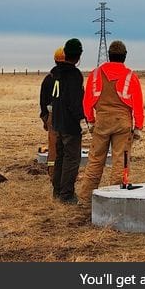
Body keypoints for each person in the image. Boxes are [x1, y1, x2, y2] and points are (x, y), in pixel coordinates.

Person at [77, 40, 144, 203]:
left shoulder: (95, 74)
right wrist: (138, 127)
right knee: (120, 162)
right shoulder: (130, 76)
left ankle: (85, 199)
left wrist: (91, 122)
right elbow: (138, 104)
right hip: (123, 123)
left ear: (109, 55)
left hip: (102, 122)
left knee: (95, 160)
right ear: (125, 56)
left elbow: (87, 101)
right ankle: (115, 199)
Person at [49, 38, 85, 204]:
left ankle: (57, 190)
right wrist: (82, 120)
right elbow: (74, 101)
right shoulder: (74, 75)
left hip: (57, 122)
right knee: (72, 159)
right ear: (78, 56)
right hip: (70, 125)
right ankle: (67, 195)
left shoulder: (56, 73)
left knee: (60, 157)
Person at [39, 46, 65, 178]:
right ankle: (66, 173)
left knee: (53, 144)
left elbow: (43, 100)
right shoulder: (72, 78)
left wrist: (44, 117)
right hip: (67, 117)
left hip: (52, 116)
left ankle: (52, 172)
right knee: (68, 144)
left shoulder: (48, 78)